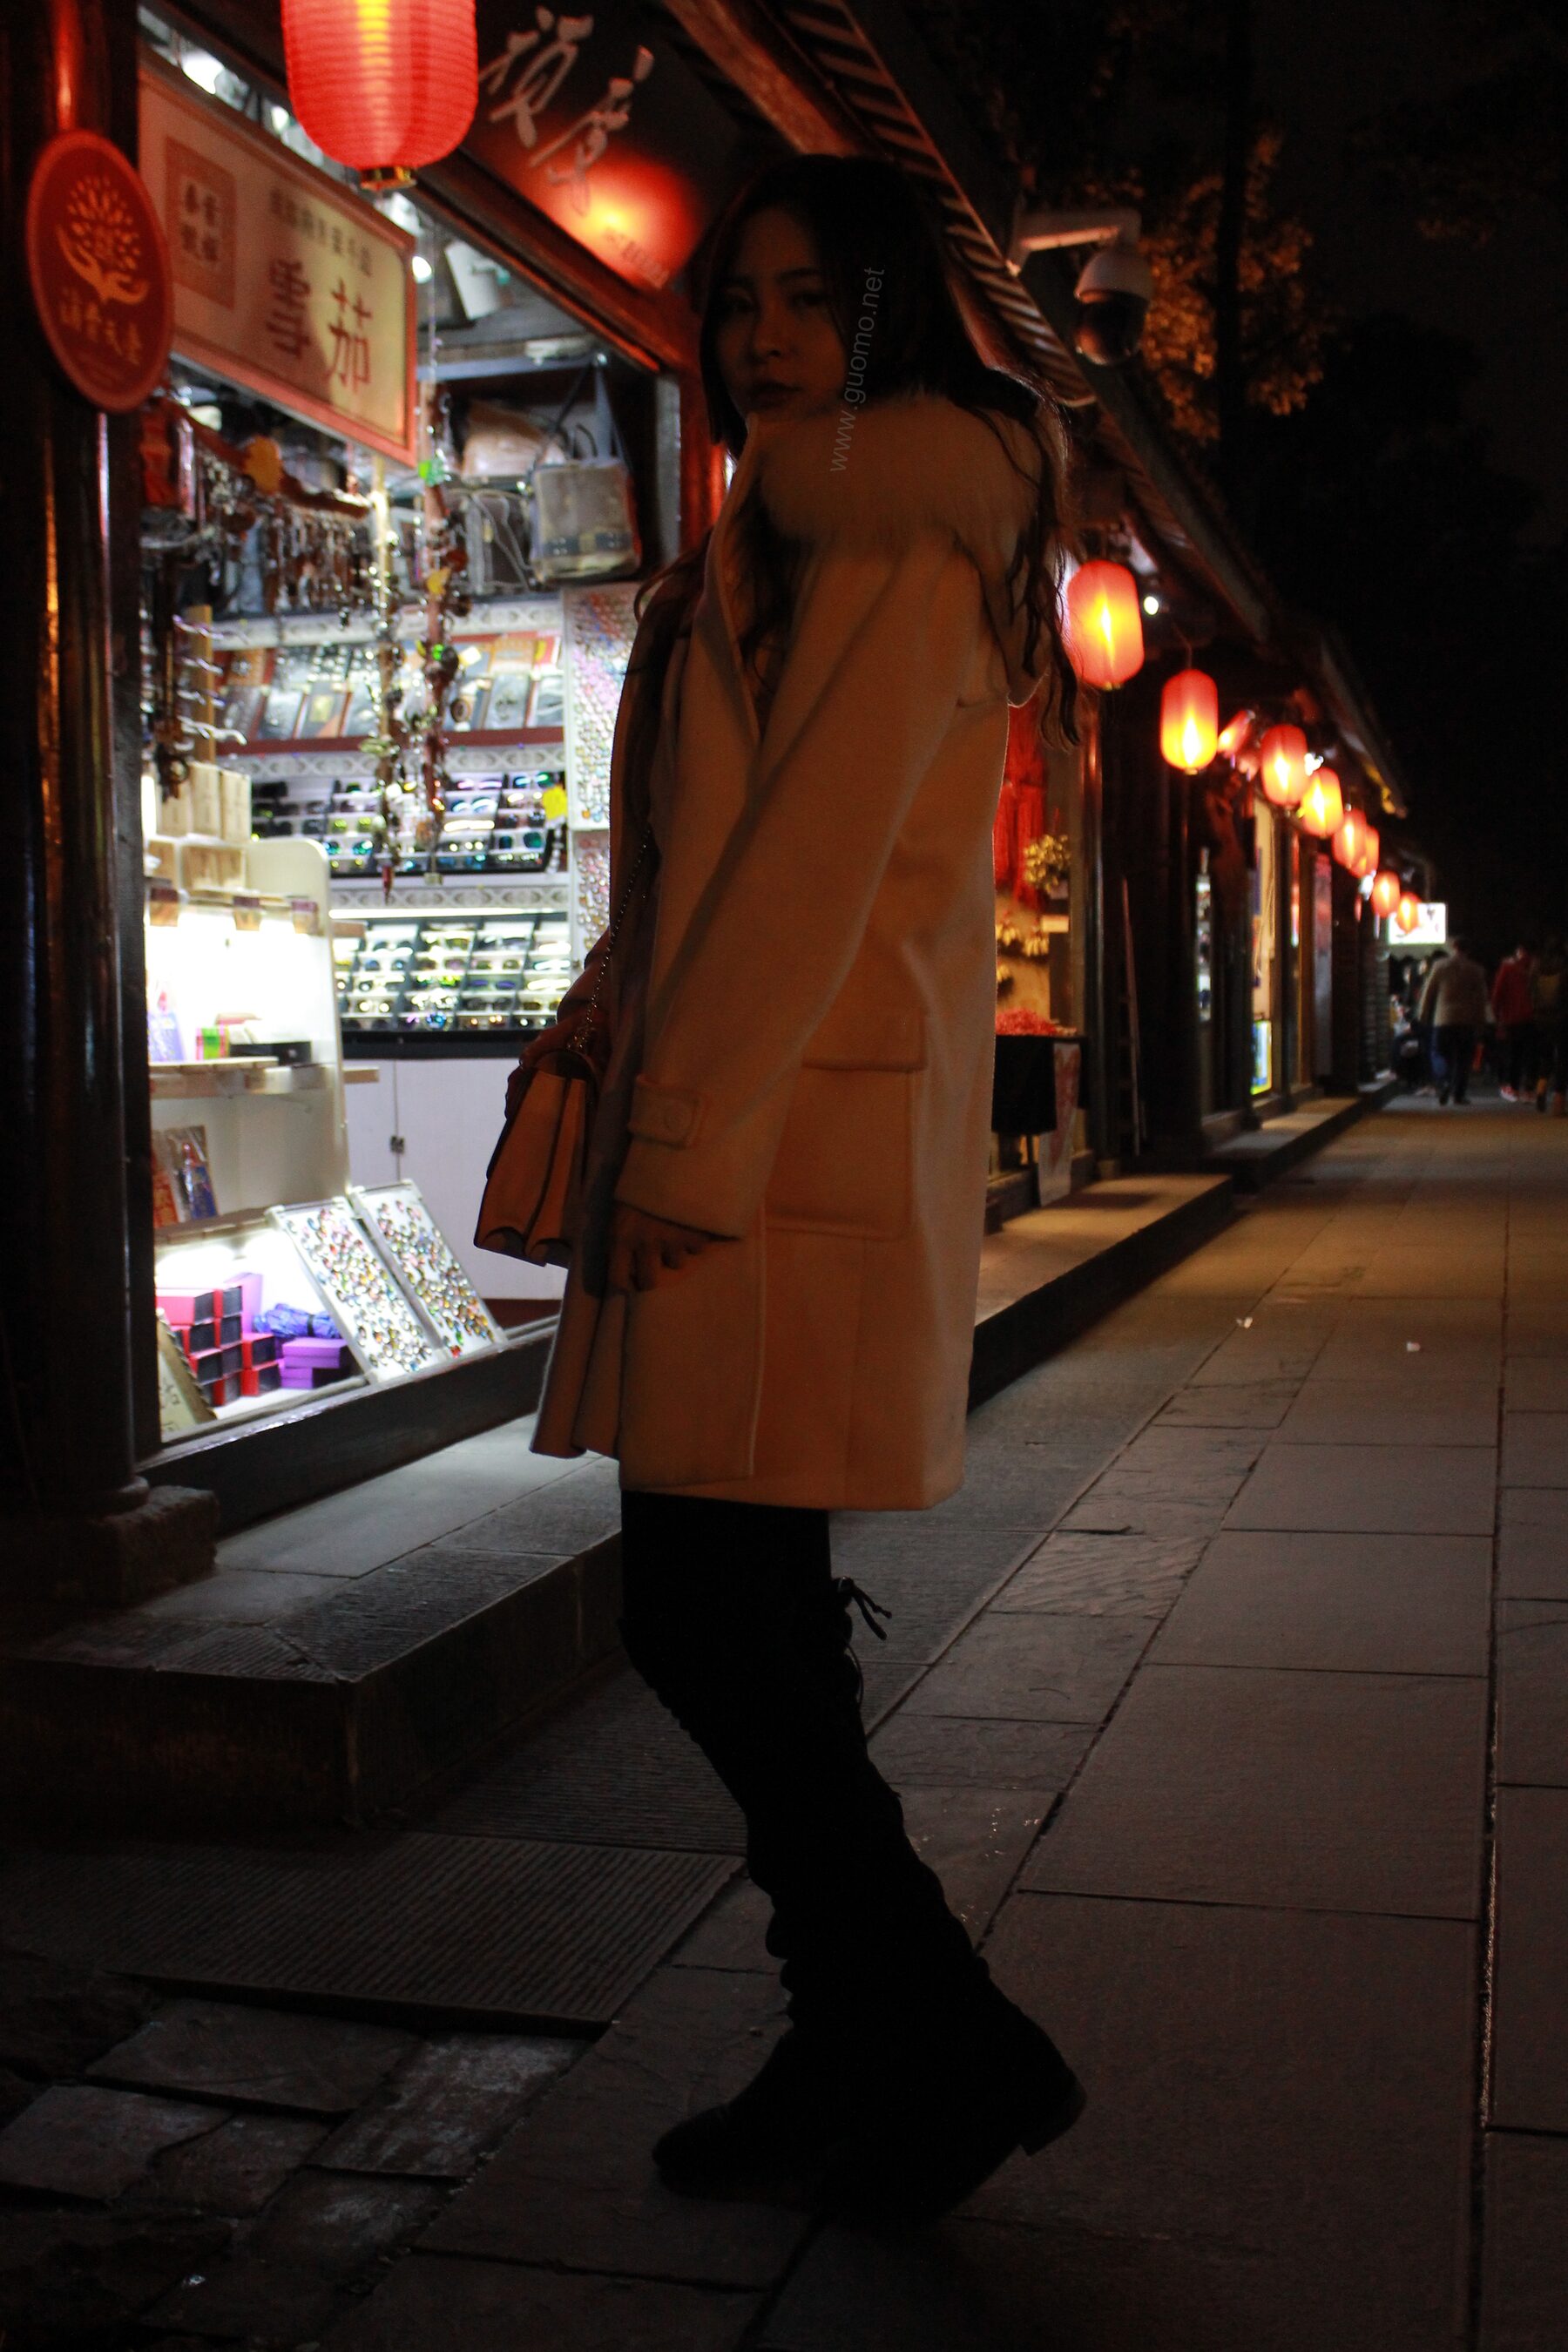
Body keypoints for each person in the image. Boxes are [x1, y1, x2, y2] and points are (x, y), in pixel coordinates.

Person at [505, 154, 1085, 2223]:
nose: (762, 337)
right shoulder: (793, 526)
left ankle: (936, 2033)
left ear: (890, 311)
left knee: (704, 1610)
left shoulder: (887, 527)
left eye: (806, 298)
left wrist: (682, 1135)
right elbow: (719, 842)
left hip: (776, 1138)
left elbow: (814, 861)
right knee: (744, 1617)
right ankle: (869, 2031)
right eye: (739, 300)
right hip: (757, 1113)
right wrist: (614, 997)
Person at [1418, 937, 1490, 1105]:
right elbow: (1481, 999)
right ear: (1468, 950)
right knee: (1464, 1059)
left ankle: (1444, 1080)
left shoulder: (1440, 966)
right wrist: (1481, 1022)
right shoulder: (1476, 970)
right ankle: (1458, 1094)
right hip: (1467, 1021)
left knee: (1439, 1052)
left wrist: (1422, 1014)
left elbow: (1428, 992)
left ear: (1453, 947)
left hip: (1443, 1019)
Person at [1491, 943, 1538, 1100]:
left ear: (1519, 951)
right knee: (1531, 1054)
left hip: (1512, 1017)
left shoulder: (1508, 968)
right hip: (1535, 1016)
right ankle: (1530, 1089)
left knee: (1514, 1054)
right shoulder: (1537, 967)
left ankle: (1514, 1088)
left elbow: (1498, 993)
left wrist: (1496, 1015)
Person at [1531, 937, 1568, 1114]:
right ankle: (1559, 1102)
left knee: (1545, 1056)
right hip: (1562, 1018)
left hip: (1540, 1017)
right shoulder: (1564, 967)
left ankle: (1541, 1088)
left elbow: (1531, 992)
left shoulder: (1537, 967)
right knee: (1563, 1057)